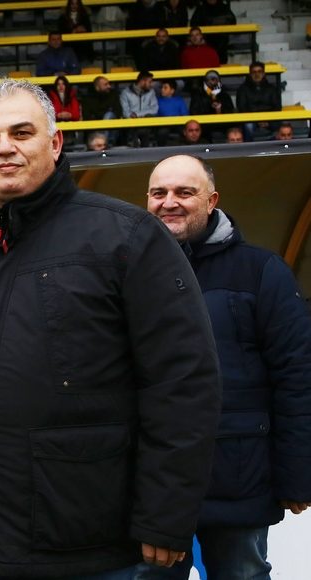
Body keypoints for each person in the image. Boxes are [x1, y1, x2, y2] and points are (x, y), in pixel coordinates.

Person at [0, 79, 221, 579]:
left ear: (55, 143)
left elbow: (183, 383)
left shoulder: (127, 237)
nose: (4, 148)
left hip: (90, 544)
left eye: (21, 133)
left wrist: (165, 515)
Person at [141, 154, 311, 580]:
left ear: (212, 200)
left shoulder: (261, 271)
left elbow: (296, 376)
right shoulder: (126, 270)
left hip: (240, 476)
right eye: (159, 193)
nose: (169, 202)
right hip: (152, 484)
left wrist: (298, 474)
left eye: (184, 192)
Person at [236, 62, 282, 141]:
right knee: (248, 125)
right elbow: (242, 108)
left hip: (270, 120)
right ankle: (249, 147)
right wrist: (257, 120)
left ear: (264, 73)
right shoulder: (242, 89)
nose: (257, 74)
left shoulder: (272, 89)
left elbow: (277, 107)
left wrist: (267, 121)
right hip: (250, 120)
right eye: (254, 72)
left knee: (283, 127)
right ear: (250, 74)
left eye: (259, 71)